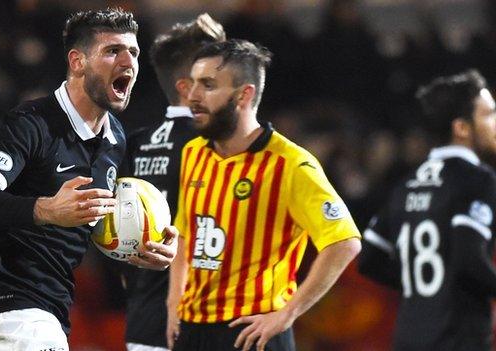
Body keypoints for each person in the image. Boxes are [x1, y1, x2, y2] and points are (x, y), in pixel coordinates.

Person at [0, 9, 178, 351]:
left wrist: (144, 245)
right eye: (113, 50)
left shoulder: (115, 137)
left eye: (134, 52)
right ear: (77, 61)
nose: (128, 60)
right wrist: (46, 210)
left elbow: (105, 223)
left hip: (45, 313)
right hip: (3, 311)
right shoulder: (31, 124)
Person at [166, 39, 362, 351]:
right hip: (193, 330)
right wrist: (174, 300)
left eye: (208, 85)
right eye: (192, 84)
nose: (193, 96)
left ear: (244, 95)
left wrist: (287, 314)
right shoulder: (194, 152)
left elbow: (344, 243)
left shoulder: (291, 164)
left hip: (251, 332)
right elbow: (186, 235)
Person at [359, 70, 496, 351]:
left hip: (409, 337)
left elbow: (369, 259)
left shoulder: (407, 184)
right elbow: (469, 259)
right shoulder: (477, 180)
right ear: (462, 128)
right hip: (458, 338)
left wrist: (421, 288)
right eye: (489, 115)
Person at [119, 13, 225, 351]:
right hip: (205, 324)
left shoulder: (130, 143)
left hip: (143, 323)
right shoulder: (218, 145)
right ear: (186, 86)